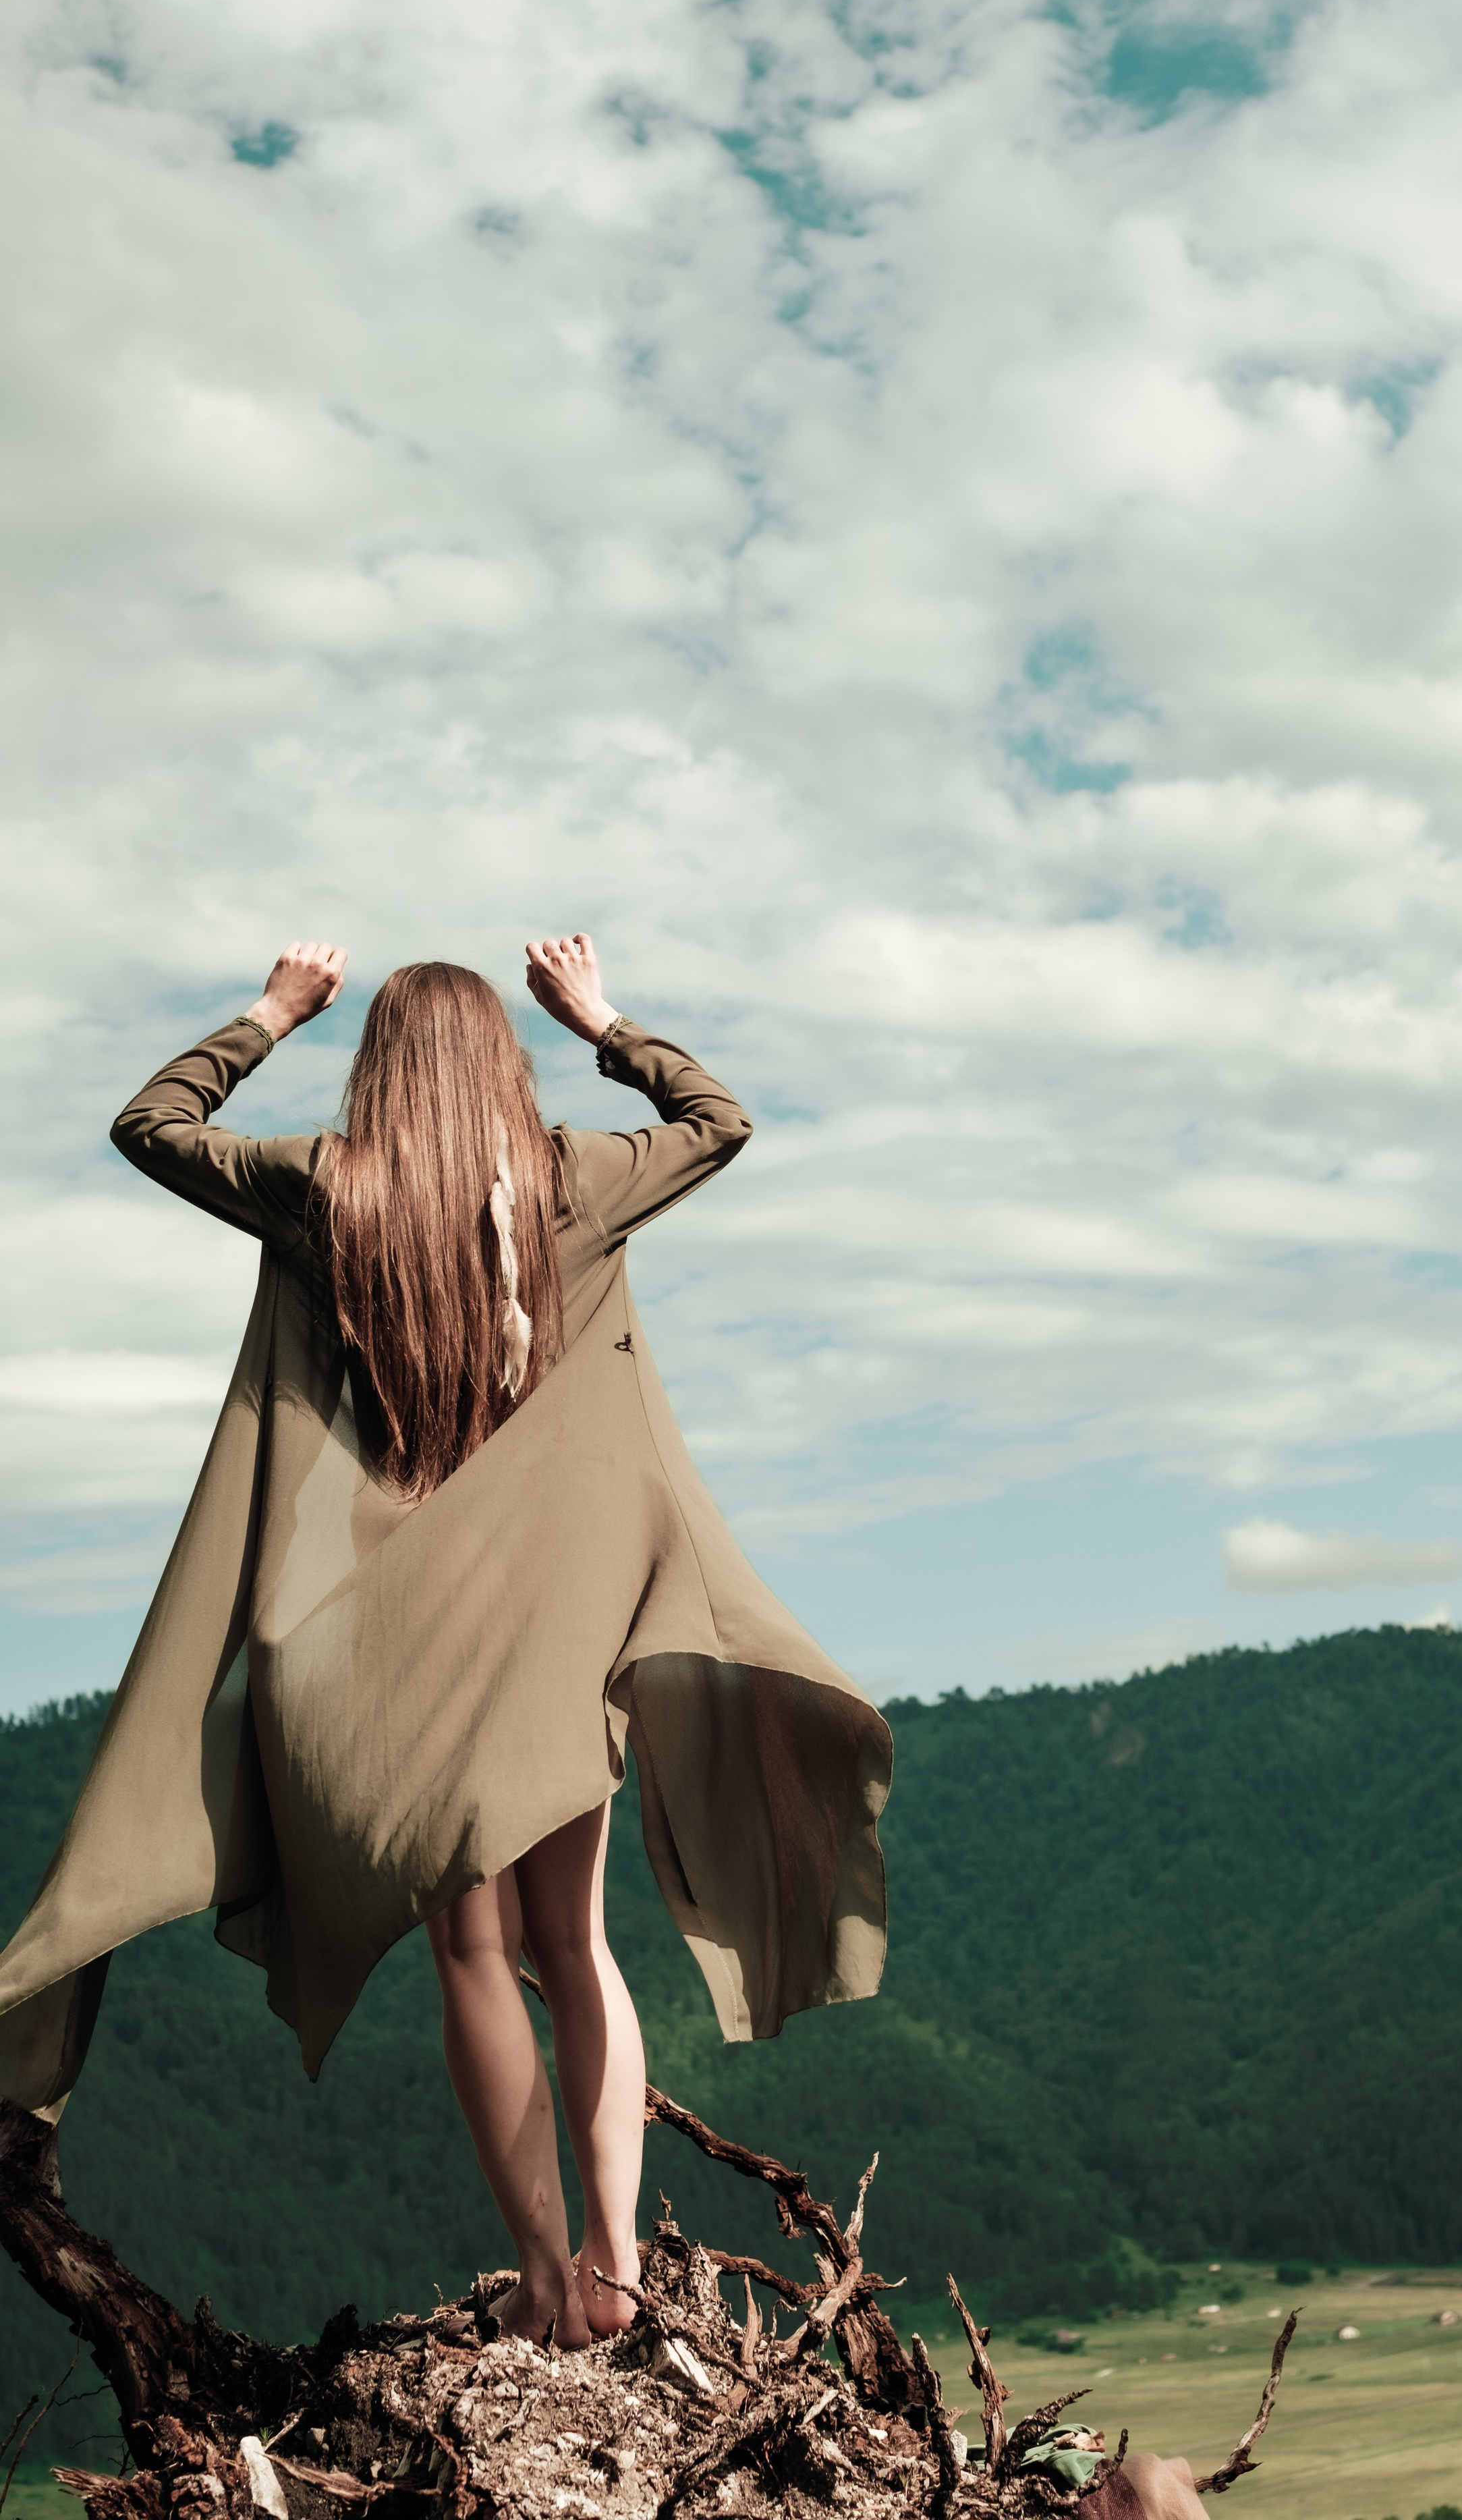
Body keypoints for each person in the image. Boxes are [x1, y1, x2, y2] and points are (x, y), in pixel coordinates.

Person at [0, 934, 892, 2353]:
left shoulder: (322, 1190)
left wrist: (269, 1012)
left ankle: (541, 2280)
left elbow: (149, 1124)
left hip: (390, 1642)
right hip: (552, 1628)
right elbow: (715, 1120)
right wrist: (602, 1017)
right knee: (573, 1941)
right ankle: (615, 2268)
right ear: (502, 1067)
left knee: (472, 1954)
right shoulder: (573, 1185)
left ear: (376, 1071)